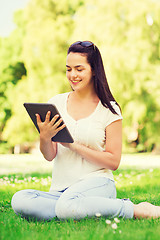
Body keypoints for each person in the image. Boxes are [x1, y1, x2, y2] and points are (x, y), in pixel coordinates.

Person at [11, 41, 160, 221]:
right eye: (68, 69)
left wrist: (74, 146)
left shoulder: (109, 109)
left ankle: (135, 209)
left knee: (67, 206)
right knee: (20, 199)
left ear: (94, 70)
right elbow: (50, 155)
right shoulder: (56, 103)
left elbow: (113, 161)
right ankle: (75, 210)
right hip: (61, 190)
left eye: (79, 69)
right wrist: (44, 137)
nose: (73, 75)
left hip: (97, 184)